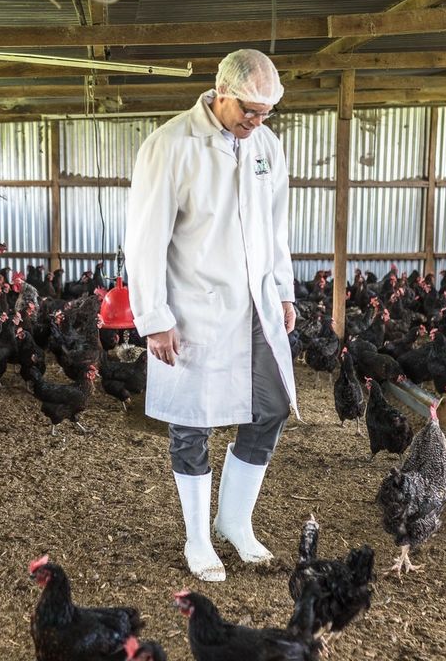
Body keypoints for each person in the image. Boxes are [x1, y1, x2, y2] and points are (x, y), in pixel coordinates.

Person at [123, 49, 298, 583]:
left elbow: (277, 226)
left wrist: (285, 290)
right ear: (220, 93)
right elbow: (144, 237)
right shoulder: (171, 145)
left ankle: (234, 522)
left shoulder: (266, 145)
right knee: (191, 426)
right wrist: (153, 315)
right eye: (249, 109)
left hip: (255, 306)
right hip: (194, 308)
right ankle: (198, 537)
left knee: (271, 409)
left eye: (267, 112)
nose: (258, 121)